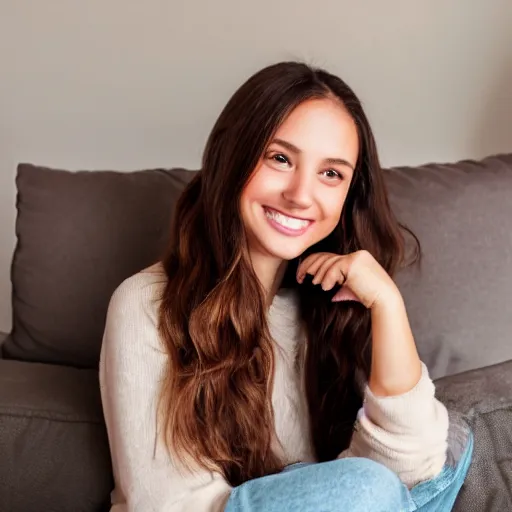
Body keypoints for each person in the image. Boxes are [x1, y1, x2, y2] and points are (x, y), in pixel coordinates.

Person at [99, 61, 473, 512]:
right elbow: (165, 504)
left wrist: (388, 306)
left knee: (453, 438)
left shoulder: (329, 306)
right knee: (366, 486)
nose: (300, 194)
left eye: (331, 174)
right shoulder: (146, 303)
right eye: (279, 158)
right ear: (232, 157)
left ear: (349, 195)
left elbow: (410, 475)